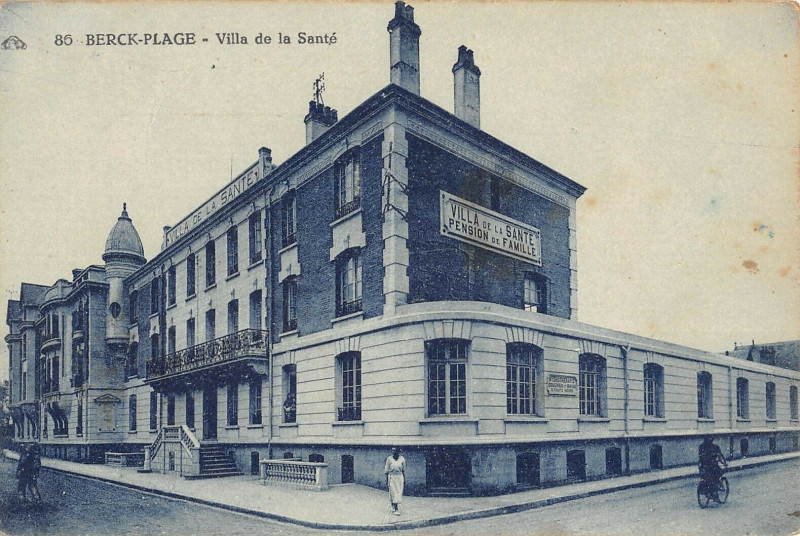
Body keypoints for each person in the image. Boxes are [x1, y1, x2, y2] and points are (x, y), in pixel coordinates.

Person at [384, 447, 406, 516]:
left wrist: (404, 479)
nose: (393, 452)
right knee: (393, 492)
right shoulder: (389, 459)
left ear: (398, 451)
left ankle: (394, 505)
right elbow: (386, 470)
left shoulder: (402, 459)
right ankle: (396, 508)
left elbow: (403, 470)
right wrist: (386, 480)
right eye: (392, 450)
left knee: (398, 492)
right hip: (392, 477)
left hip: (399, 477)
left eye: (394, 450)